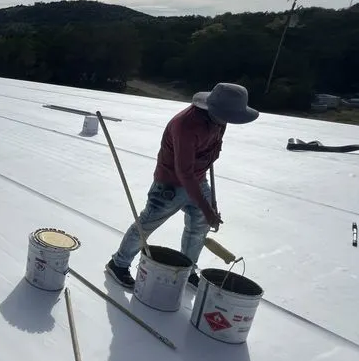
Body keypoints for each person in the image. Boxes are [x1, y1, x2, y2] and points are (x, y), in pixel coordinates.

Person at [105, 82, 259, 289]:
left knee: (199, 226)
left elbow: (209, 156)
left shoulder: (220, 119)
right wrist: (207, 208)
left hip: (198, 179)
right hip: (170, 185)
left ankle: (188, 269)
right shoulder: (185, 126)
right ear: (214, 109)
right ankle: (118, 264)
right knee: (146, 225)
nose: (230, 121)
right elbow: (183, 173)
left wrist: (210, 204)